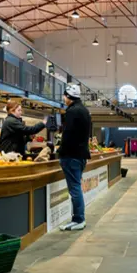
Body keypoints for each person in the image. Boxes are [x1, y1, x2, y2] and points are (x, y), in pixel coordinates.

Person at [58, 83, 92, 231]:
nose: (63, 98)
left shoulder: (72, 111)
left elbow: (68, 134)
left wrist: (60, 150)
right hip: (81, 155)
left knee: (74, 188)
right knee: (76, 187)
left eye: (64, 95)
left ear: (68, 96)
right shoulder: (84, 110)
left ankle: (78, 219)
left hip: (71, 156)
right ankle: (78, 218)